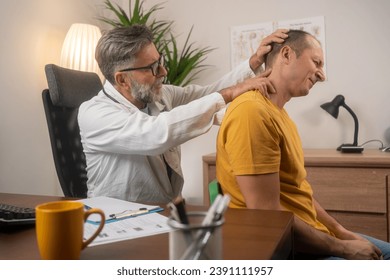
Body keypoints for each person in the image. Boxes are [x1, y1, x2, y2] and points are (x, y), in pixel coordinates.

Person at [216, 29, 390, 260]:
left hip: (311, 233)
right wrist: (340, 247)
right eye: (317, 62)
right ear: (286, 54)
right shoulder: (252, 113)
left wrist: (340, 231)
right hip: (289, 248)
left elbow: (296, 191)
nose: (322, 75)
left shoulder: (279, 115)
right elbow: (266, 214)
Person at [78, 24, 288, 204]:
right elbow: (156, 133)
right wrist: (229, 94)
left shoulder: (158, 95)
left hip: (162, 213)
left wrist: (253, 63)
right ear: (122, 80)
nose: (163, 72)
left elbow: (206, 94)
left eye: (159, 61)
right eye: (152, 67)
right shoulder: (94, 113)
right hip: (115, 221)